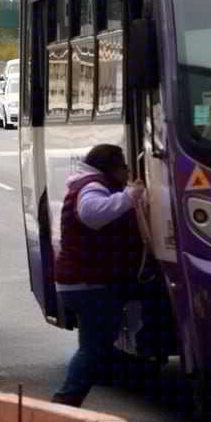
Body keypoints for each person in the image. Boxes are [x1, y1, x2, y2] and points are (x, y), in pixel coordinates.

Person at [50, 144, 147, 408]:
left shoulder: (90, 184)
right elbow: (92, 214)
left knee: (93, 343)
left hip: (82, 282)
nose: (128, 171)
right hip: (87, 284)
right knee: (94, 346)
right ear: (111, 168)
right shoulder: (93, 187)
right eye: (124, 166)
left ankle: (67, 398)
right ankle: (65, 399)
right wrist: (130, 196)